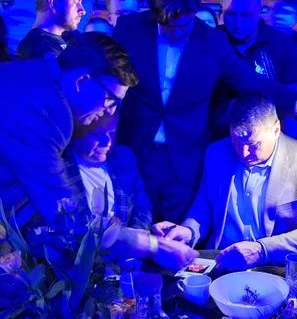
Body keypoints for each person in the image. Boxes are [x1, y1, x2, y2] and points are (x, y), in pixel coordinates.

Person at [113, 0, 297, 223]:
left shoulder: (212, 42)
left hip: (185, 165)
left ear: (195, 10)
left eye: (184, 26)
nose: (177, 34)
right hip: (133, 156)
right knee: (129, 238)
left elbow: (252, 82)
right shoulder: (128, 30)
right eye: (168, 27)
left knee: (178, 238)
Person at [0, 32, 197, 271]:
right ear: (81, 81)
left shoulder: (35, 73)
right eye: (111, 99)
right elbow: (65, 215)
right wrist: (150, 244)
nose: (110, 113)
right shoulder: (49, 111)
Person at [153, 93, 297, 271]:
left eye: (254, 144)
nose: (244, 153)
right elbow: (204, 207)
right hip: (222, 265)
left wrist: (261, 250)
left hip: (275, 269)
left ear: (276, 130)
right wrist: (188, 231)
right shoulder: (217, 153)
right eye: (236, 141)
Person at [210, 0, 297, 139]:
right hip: (217, 143)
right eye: (231, 14)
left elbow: (291, 107)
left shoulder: (284, 45)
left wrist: (286, 148)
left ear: (259, 11)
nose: (237, 23)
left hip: (267, 145)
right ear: (221, 11)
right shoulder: (211, 41)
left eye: (245, 15)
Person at [66, 112, 153, 230]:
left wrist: (132, 235)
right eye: (98, 134)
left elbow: (143, 209)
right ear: (77, 133)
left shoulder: (123, 157)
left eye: (112, 133)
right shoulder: (61, 166)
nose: (108, 142)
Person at [18, 0, 85, 60]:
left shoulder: (69, 39)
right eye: (76, 2)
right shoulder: (36, 49)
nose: (83, 11)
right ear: (53, 2)